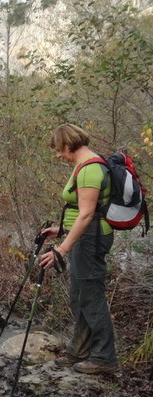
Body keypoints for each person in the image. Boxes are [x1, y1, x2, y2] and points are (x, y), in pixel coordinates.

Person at [38, 124, 117, 375]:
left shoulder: (91, 169)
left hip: (91, 240)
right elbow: (80, 214)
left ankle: (104, 358)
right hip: (84, 238)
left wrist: (60, 249)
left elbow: (86, 215)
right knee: (79, 295)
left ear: (69, 145)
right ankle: (79, 350)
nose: (59, 155)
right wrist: (60, 231)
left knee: (91, 296)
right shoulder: (83, 167)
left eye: (59, 150)